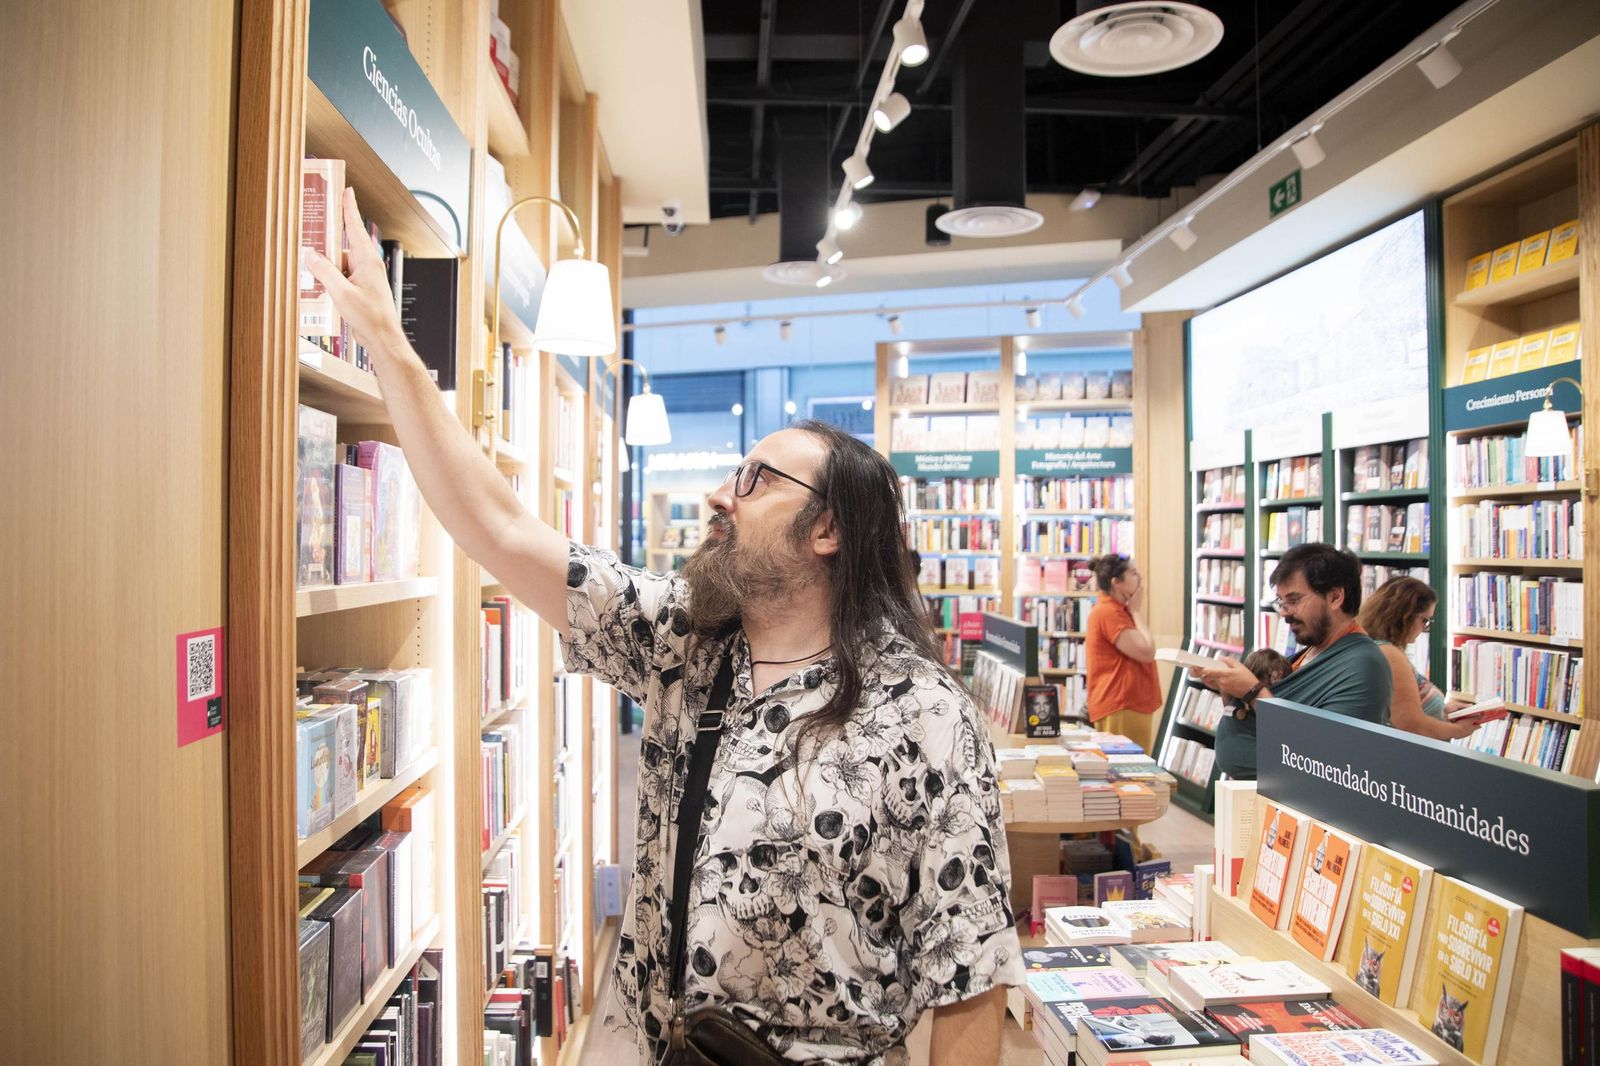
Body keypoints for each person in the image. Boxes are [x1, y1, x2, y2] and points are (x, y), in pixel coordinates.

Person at [306, 189, 1022, 1065]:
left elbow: (970, 983)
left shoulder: (928, 718)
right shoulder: (684, 641)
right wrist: (387, 339)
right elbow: (500, 528)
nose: (721, 493)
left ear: (828, 530)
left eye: (756, 480)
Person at [1202, 543, 1393, 780]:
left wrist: (1251, 691)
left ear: (1335, 597)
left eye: (1294, 600)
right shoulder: (1314, 651)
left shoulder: (1363, 665)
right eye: (1281, 602)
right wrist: (1230, 691)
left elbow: (1329, 759)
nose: (1284, 612)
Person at [1357, 576, 1495, 741]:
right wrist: (1458, 730)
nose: (1424, 628)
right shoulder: (1389, 654)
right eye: (1424, 620)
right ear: (1403, 615)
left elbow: (1402, 706)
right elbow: (1410, 724)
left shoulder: (1376, 646)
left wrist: (1443, 709)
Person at [1083, 554, 1162, 753]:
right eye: (1133, 573)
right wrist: (1136, 611)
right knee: (1129, 770)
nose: (1140, 578)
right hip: (1122, 703)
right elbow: (1146, 651)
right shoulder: (1109, 612)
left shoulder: (1115, 610)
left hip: (1128, 702)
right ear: (1116, 583)